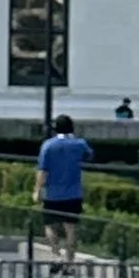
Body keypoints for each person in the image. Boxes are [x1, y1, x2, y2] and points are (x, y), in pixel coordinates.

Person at [34, 113, 92, 266]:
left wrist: (37, 190)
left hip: (52, 193)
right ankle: (70, 262)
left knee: (49, 225)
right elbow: (89, 155)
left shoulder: (48, 145)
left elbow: (42, 170)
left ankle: (56, 255)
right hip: (74, 193)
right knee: (71, 228)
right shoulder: (79, 144)